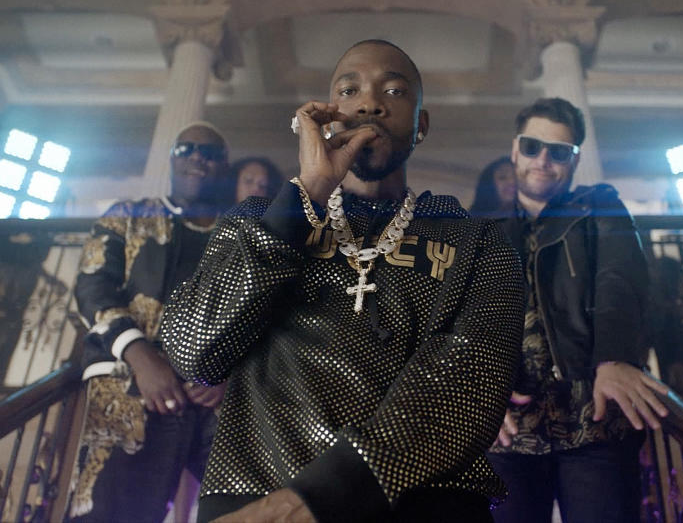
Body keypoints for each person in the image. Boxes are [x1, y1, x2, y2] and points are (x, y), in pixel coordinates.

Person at [159, 40, 525, 523]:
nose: (370, 102)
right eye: (349, 89)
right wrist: (305, 195)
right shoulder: (257, 221)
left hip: (424, 503)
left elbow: (465, 385)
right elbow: (194, 350)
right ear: (328, 114)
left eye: (394, 91)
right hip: (253, 493)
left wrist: (317, 497)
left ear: (422, 126)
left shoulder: (479, 242)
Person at [486, 98, 670, 523]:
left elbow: (620, 280)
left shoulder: (598, 206)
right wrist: (477, 392)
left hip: (594, 419)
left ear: (575, 159)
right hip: (510, 430)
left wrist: (615, 356)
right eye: (532, 147)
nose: (543, 160)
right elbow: (462, 320)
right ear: (515, 149)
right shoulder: (483, 234)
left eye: (559, 151)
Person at [71, 121, 233, 522]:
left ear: (222, 168)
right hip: (129, 385)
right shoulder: (128, 215)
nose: (198, 157)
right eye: (187, 149)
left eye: (210, 154)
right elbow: (92, 286)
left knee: (248, 506)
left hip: (212, 399)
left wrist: (230, 373)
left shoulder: (238, 235)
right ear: (173, 160)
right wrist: (141, 356)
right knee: (113, 512)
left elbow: (259, 312)